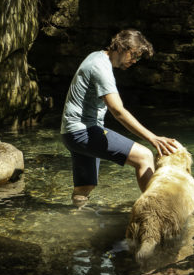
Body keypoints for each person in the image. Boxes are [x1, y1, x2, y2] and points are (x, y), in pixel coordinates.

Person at [60, 29, 179, 205]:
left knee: (84, 187)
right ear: (123, 47)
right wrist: (152, 138)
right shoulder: (100, 67)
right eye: (134, 55)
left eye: (138, 58)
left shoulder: (97, 57)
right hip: (83, 131)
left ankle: (77, 219)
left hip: (71, 133)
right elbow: (118, 111)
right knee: (144, 156)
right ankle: (157, 213)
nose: (135, 61)